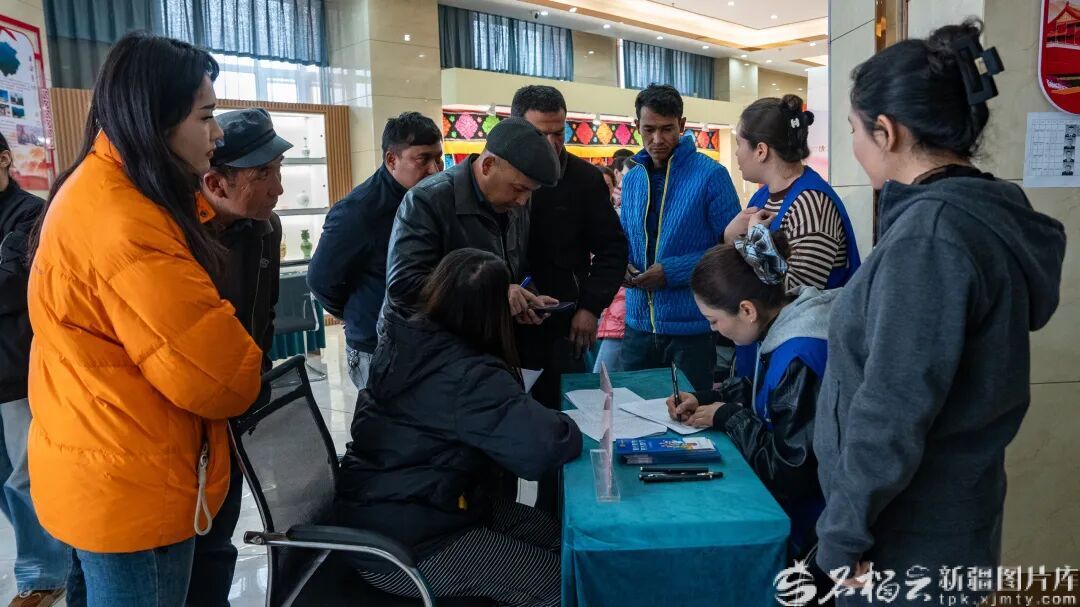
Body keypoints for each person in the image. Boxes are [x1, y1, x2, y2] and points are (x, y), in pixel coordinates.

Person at [814, 21, 1066, 605]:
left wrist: (840, 539)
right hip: (950, 517)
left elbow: (892, 407)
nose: (854, 145)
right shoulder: (972, 214)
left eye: (853, 129)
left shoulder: (930, 236)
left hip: (904, 535)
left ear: (886, 132)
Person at [27, 32, 263, 606]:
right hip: (134, 482)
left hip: (96, 460)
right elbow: (223, 378)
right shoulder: (128, 221)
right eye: (205, 116)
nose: (218, 133)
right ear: (155, 118)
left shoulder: (96, 184)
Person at [337, 248, 582, 607]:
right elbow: (543, 448)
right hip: (407, 546)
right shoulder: (467, 374)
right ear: (494, 312)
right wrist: (571, 425)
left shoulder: (407, 341)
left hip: (412, 508)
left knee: (570, 543)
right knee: (570, 585)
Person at [665, 226, 835, 595]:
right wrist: (705, 398)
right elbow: (767, 392)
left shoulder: (801, 352)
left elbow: (790, 472)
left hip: (818, 527)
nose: (714, 330)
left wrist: (728, 416)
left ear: (746, 309)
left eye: (714, 321)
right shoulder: (784, 320)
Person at [186, 107, 290, 607]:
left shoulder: (266, 228)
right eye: (263, 174)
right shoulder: (174, 233)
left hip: (235, 409)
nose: (278, 189)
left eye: (278, 170)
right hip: (180, 418)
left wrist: (255, 380)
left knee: (217, 536)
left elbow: (263, 314)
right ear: (215, 182)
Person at [725, 94, 862, 378]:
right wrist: (730, 237)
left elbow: (794, 295)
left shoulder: (811, 203)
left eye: (739, 144)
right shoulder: (764, 196)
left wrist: (751, 239)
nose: (737, 154)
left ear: (761, 151)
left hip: (799, 359)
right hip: (767, 347)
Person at [510, 85, 627, 411]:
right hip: (506, 323)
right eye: (540, 134)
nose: (551, 144)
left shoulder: (584, 179)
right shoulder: (498, 174)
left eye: (558, 133)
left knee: (566, 415)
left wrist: (590, 307)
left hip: (563, 323)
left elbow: (612, 250)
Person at [619, 84, 741, 391]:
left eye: (667, 129)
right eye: (649, 129)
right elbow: (625, 239)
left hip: (692, 327)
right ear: (637, 126)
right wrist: (621, 264)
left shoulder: (711, 175)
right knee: (631, 408)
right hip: (637, 324)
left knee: (691, 414)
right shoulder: (633, 179)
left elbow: (733, 251)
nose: (657, 139)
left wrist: (672, 272)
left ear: (682, 125)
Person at [308, 112, 443, 388]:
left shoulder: (432, 199)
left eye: (438, 158)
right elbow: (321, 280)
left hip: (426, 341)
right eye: (423, 159)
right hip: (377, 348)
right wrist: (358, 312)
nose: (434, 169)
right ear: (391, 160)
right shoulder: (358, 211)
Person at [383, 117, 560, 324]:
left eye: (530, 191)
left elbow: (516, 267)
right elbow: (404, 287)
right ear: (488, 165)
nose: (523, 200)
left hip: (487, 334)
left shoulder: (516, 202)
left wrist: (525, 298)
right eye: (519, 189)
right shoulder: (426, 200)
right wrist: (494, 295)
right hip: (432, 339)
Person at [0, 133, 69, 607]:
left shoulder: (29, 215)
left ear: (5, 159)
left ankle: (44, 574)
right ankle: (51, 549)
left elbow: (11, 284)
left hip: (18, 374)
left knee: (26, 480)